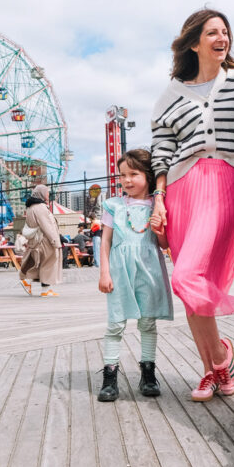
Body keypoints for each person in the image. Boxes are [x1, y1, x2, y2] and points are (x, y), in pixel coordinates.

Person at [151, 8, 234, 401]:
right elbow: (162, 148)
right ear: (194, 42)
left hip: (227, 183)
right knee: (192, 288)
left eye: (225, 32)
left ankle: (222, 357)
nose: (221, 38)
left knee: (188, 276)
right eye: (212, 33)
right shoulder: (172, 92)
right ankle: (213, 371)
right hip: (181, 190)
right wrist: (158, 199)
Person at [98, 149, 173, 401]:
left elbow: (163, 244)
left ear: (148, 176)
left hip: (149, 269)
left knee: (148, 322)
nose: (127, 180)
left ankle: (148, 373)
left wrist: (160, 229)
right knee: (116, 322)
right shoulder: (113, 205)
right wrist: (104, 272)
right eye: (123, 175)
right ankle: (110, 376)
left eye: (134, 174)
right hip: (119, 271)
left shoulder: (158, 205)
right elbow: (105, 241)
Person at [19, 184, 63, 296]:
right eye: (46, 193)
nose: (48, 195)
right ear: (41, 194)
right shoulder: (40, 207)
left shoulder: (30, 207)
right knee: (49, 262)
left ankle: (29, 282)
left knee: (40, 263)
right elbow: (47, 226)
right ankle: (45, 290)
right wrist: (55, 241)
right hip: (45, 240)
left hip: (37, 239)